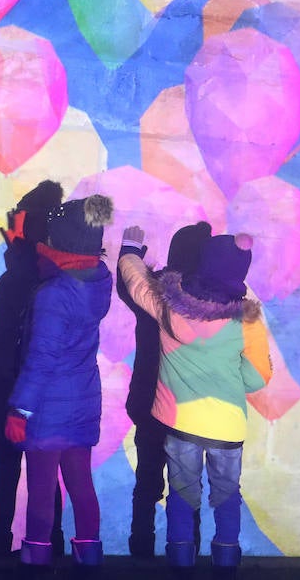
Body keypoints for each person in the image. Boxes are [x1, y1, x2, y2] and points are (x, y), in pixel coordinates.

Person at [117, 226, 272, 574]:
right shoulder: (246, 321)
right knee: (227, 495)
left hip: (180, 422)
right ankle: (227, 560)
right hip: (227, 426)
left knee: (183, 495)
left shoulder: (170, 307)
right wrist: (232, 379)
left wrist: (129, 249)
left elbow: (137, 283)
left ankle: (180, 561)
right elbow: (258, 377)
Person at [5, 194, 114, 570]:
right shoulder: (97, 282)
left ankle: (36, 554)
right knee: (81, 483)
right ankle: (90, 553)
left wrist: (19, 409)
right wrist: (23, 247)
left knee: (41, 489)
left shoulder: (54, 294)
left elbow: (41, 359)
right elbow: (58, 262)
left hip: (48, 407)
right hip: (83, 401)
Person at [0, 181, 66, 558]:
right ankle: (50, 549)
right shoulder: (62, 283)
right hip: (48, 399)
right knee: (47, 480)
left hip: (8, 391)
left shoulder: (13, 281)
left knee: (6, 477)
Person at [115, 220, 210, 559]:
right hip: (189, 412)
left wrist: (129, 253)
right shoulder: (209, 303)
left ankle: (140, 553)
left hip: (150, 404)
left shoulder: (156, 295)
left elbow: (130, 285)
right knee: (188, 490)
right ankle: (188, 554)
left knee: (147, 485)